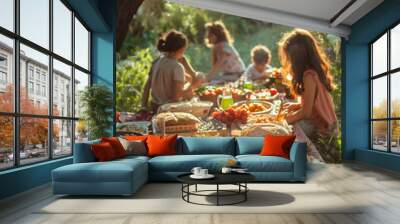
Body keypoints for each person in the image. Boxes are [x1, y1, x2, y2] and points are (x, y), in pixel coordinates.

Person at [278, 29, 340, 163]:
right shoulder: (314, 72)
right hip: (325, 123)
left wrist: (284, 121)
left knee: (285, 129)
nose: (288, 61)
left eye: (289, 58)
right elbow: (312, 103)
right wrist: (294, 105)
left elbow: (306, 113)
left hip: (322, 129)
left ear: (297, 59)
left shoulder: (308, 77)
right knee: (288, 114)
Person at [141, 30, 196, 113]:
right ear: (181, 49)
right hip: (169, 111)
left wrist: (143, 106)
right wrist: (192, 87)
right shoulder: (177, 67)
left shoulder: (157, 61)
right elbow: (176, 97)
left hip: (155, 107)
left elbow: (147, 87)